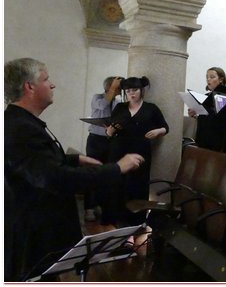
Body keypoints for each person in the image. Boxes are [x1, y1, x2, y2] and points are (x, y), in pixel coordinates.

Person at [5, 58, 143, 281]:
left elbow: (36, 162)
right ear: (29, 86)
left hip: (32, 230)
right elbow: (55, 178)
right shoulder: (21, 128)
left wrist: (74, 159)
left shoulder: (20, 122)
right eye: (46, 79)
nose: (52, 85)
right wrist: (116, 168)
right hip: (32, 237)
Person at [106, 76, 168, 226]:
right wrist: (109, 131)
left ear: (141, 91)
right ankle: (117, 218)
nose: (132, 94)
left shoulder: (151, 108)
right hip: (119, 149)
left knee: (138, 184)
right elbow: (109, 131)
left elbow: (165, 127)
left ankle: (137, 220)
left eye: (135, 90)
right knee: (118, 183)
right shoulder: (120, 107)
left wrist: (158, 131)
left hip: (141, 150)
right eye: (128, 91)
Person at [84, 76, 122, 222]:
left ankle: (103, 204)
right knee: (92, 171)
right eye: (117, 87)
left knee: (107, 173)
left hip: (110, 140)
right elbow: (103, 105)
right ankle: (89, 207)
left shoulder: (118, 102)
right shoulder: (97, 97)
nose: (119, 90)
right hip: (96, 140)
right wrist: (113, 88)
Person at [188, 67, 226, 151]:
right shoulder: (205, 96)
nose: (208, 79)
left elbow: (220, 117)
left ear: (221, 79)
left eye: (212, 77)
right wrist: (195, 114)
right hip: (202, 135)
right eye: (207, 77)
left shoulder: (224, 96)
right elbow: (204, 116)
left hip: (217, 137)